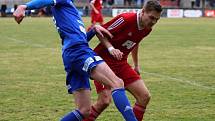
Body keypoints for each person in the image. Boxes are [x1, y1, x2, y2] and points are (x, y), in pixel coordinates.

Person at [13, 0, 138, 121]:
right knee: (117, 83)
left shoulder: (68, 7)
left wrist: (94, 30)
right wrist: (25, 6)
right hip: (79, 51)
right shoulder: (64, 1)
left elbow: (79, 36)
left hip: (71, 54)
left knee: (84, 110)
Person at [84, 0, 162, 121]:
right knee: (104, 101)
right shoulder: (126, 19)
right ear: (142, 12)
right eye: (151, 17)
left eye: (156, 19)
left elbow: (135, 43)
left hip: (121, 64)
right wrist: (111, 48)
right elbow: (99, 31)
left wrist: (136, 65)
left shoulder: (147, 28)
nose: (153, 22)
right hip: (102, 62)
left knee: (144, 96)